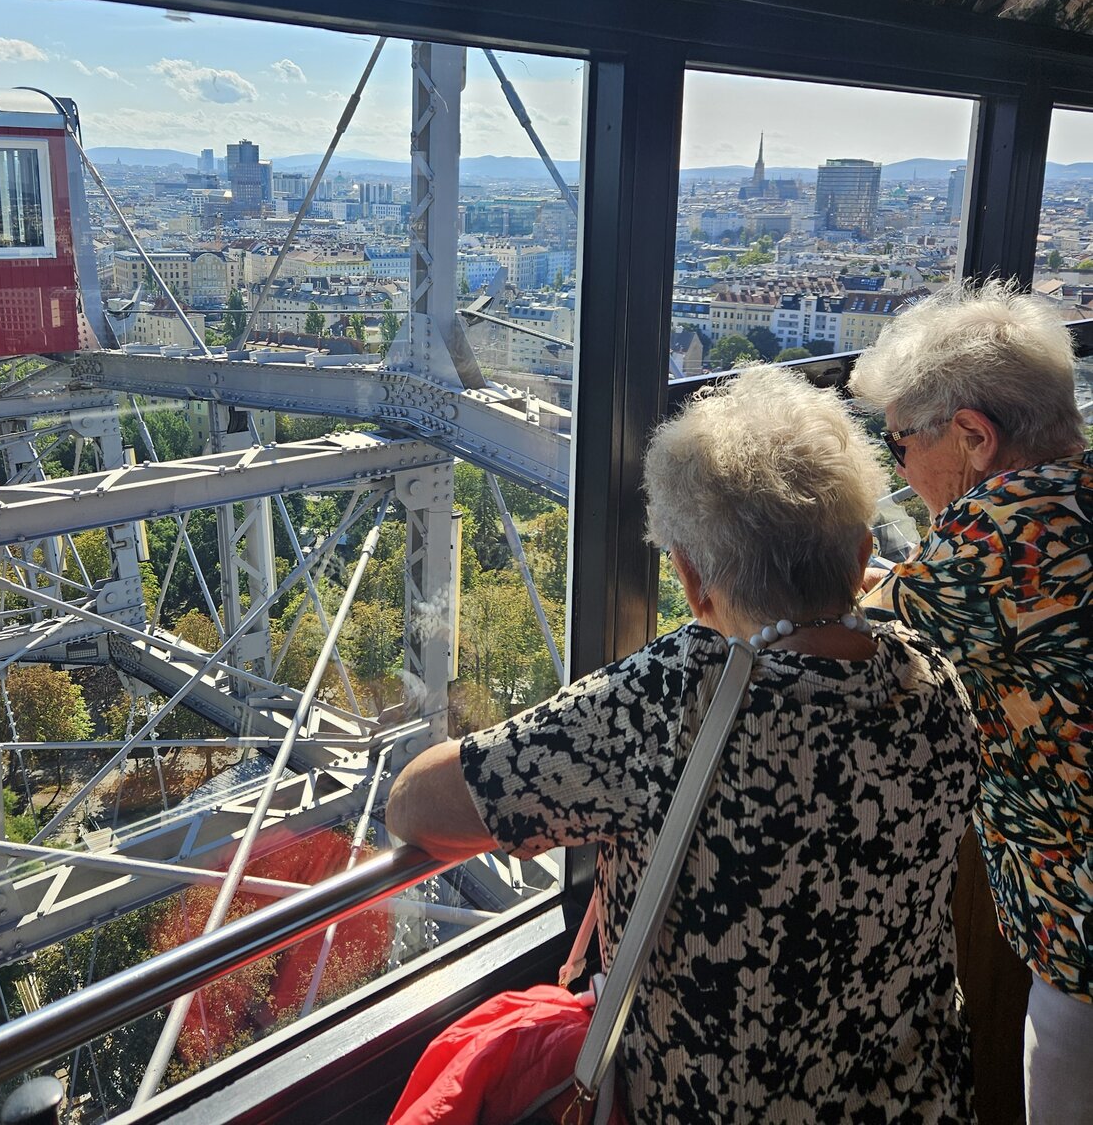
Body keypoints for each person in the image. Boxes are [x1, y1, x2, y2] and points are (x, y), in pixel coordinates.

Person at [388, 366, 980, 1123]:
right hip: (915, 1102)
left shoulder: (671, 698)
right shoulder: (934, 682)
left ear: (692, 580)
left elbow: (420, 805)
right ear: (863, 555)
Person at [851, 280, 1092, 1125]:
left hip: (1082, 930)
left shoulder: (994, 541)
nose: (899, 470)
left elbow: (844, 628)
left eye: (899, 446)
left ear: (974, 436)